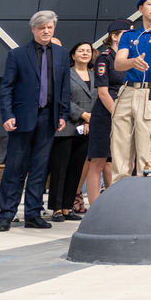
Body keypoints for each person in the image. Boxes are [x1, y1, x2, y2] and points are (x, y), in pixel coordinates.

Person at [0, 11, 71, 231]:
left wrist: (63, 115)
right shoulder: (17, 54)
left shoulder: (62, 54)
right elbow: (6, 88)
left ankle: (32, 214)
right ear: (33, 29)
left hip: (49, 117)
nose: (46, 31)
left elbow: (64, 88)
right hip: (21, 118)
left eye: (49, 27)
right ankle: (7, 215)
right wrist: (7, 115)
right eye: (42, 28)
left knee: (40, 168)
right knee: (15, 167)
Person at [111, 0, 151, 180]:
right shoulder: (129, 34)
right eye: (150, 4)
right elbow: (119, 64)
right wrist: (133, 62)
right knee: (120, 148)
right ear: (140, 9)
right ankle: (119, 198)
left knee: (148, 150)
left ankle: (147, 199)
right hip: (128, 90)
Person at [48, 41, 94, 222]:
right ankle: (56, 208)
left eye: (88, 51)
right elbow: (61, 98)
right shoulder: (66, 74)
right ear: (73, 55)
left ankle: (67, 207)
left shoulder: (94, 75)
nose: (85, 53)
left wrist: (90, 118)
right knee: (60, 169)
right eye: (80, 51)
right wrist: (82, 114)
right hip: (67, 126)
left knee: (76, 169)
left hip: (87, 128)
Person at [86, 20, 129, 206]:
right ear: (114, 36)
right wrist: (117, 114)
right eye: (126, 34)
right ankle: (95, 207)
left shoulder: (130, 57)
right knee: (98, 161)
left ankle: (119, 204)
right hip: (107, 113)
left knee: (126, 161)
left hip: (127, 110)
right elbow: (103, 93)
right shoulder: (105, 57)